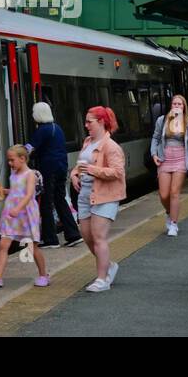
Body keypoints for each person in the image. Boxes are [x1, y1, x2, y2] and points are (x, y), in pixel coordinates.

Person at [70, 106, 126, 293]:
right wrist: (74, 175)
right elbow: (81, 165)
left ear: (101, 122)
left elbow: (117, 172)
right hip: (86, 195)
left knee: (99, 237)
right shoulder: (88, 142)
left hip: (105, 196)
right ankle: (109, 266)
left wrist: (93, 171)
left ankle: (102, 279)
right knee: (87, 237)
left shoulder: (111, 147)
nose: (86, 125)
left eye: (89, 122)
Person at [0, 145, 50, 287]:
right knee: (3, 243)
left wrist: (18, 208)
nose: (9, 163)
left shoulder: (30, 174)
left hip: (25, 213)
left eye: (12, 160)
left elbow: (29, 194)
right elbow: (16, 191)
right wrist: (4, 191)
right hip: (12, 213)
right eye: (8, 160)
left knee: (33, 246)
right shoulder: (14, 173)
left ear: (22, 158)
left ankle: (44, 275)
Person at [27, 102, 82, 248]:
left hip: (48, 169)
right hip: (61, 168)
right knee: (60, 199)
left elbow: (29, 149)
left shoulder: (42, 130)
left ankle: (50, 239)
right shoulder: (57, 128)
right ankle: (73, 234)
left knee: (46, 203)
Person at [150, 94, 188, 236]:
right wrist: (154, 154)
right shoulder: (162, 120)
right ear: (171, 106)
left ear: (184, 108)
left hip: (180, 159)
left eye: (180, 104)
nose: (177, 106)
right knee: (163, 194)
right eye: (174, 104)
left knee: (174, 192)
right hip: (165, 158)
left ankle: (173, 224)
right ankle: (169, 211)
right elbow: (155, 137)